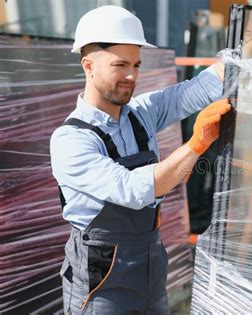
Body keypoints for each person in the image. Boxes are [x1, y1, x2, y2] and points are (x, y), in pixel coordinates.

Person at [50, 5, 230, 314]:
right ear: (88, 66)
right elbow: (134, 190)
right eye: (120, 65)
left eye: (136, 64)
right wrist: (197, 143)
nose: (132, 75)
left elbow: (196, 90)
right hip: (102, 282)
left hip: (150, 269)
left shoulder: (140, 114)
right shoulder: (71, 140)